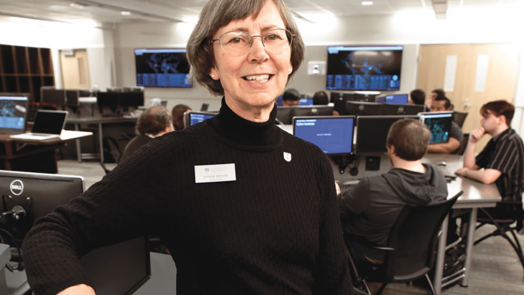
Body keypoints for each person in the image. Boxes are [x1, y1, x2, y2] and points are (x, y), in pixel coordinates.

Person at [22, 1, 352, 294]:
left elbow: (336, 284)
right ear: (211, 64)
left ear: (290, 58)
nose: (259, 53)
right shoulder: (174, 158)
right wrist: (70, 286)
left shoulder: (312, 163)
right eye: (237, 38)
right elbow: (52, 232)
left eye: (273, 36)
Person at [338, 119, 447, 276]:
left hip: (372, 255)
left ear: (392, 148)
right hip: (417, 257)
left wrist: (335, 191)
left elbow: (336, 209)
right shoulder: (438, 178)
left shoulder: (373, 186)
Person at [455, 100, 524, 215]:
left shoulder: (509, 141)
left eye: (486, 117)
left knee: (448, 207)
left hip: (504, 205)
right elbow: (469, 167)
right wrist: (472, 142)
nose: (481, 121)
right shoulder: (496, 141)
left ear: (500, 120)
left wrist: (466, 172)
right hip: (491, 197)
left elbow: (487, 177)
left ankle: (455, 233)